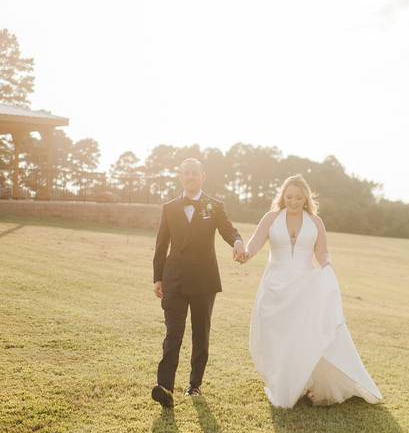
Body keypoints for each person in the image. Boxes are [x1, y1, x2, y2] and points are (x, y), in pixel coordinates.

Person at [243, 174, 382, 408]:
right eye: (289, 197)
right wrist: (245, 253)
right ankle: (284, 382)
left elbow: (321, 252)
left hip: (305, 286)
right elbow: (255, 243)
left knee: (304, 334)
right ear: (282, 196)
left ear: (306, 198)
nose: (293, 201)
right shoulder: (271, 218)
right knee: (277, 335)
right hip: (275, 286)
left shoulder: (315, 222)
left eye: (298, 197)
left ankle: (308, 382)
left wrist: (327, 265)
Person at [151, 158, 245, 408]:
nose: (190, 177)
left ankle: (194, 385)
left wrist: (237, 241)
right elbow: (161, 245)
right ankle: (165, 386)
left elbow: (228, 230)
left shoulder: (214, 206)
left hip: (204, 281)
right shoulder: (169, 207)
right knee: (173, 333)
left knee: (200, 334)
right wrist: (158, 278)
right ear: (181, 177)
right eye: (186, 173)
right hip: (175, 280)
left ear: (203, 176)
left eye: (195, 173)